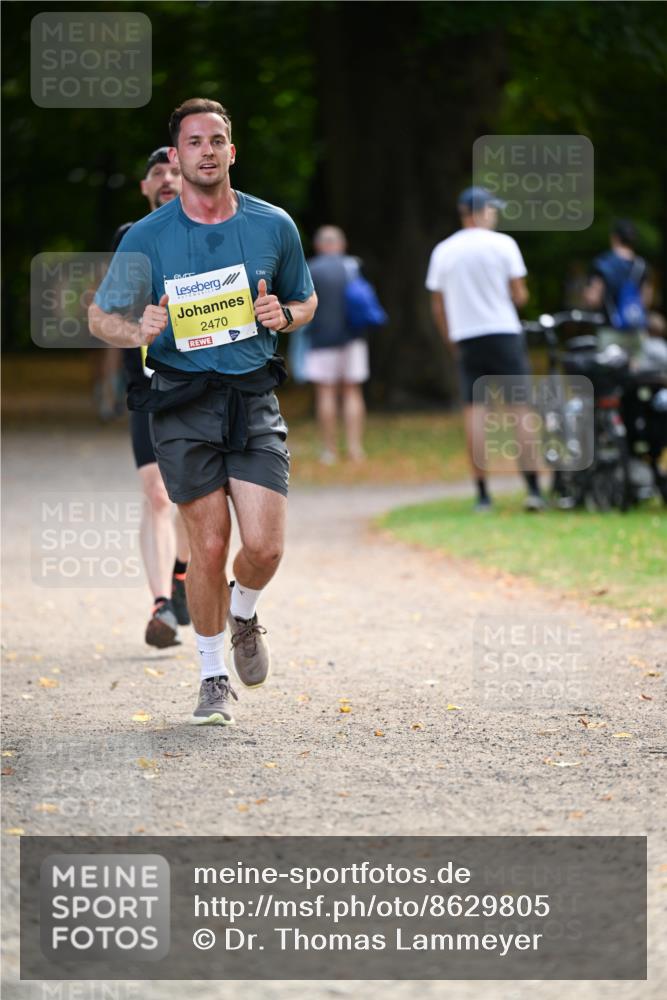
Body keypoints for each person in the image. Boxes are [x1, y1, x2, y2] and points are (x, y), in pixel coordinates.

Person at [89, 98, 317, 726]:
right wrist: (140, 325)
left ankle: (244, 612)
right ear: (178, 154)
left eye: (217, 140)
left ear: (232, 151)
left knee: (265, 547)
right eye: (194, 142)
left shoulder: (274, 226)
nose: (207, 151)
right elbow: (100, 317)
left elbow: (305, 299)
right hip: (182, 401)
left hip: (251, 398)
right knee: (209, 546)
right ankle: (213, 675)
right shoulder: (147, 237)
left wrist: (286, 316)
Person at [110, 148, 191, 649]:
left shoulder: (217, 234)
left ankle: (182, 576)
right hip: (149, 388)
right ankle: (161, 605)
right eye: (156, 172)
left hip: (204, 385)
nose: (166, 178)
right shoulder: (128, 240)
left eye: (175, 171)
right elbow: (108, 313)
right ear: (144, 188)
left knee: (193, 499)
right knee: (158, 494)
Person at [426, 186, 544, 512]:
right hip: (504, 333)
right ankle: (533, 489)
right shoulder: (503, 245)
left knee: (475, 412)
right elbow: (519, 295)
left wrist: (451, 339)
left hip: (467, 336)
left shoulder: (444, 250)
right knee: (520, 411)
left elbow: (438, 305)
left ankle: (482, 494)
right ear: (483, 211)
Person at [303, 226, 369, 464]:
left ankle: (329, 450)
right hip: (353, 337)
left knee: (326, 393)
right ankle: (355, 448)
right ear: (342, 244)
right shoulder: (353, 266)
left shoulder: (311, 269)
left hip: (321, 340)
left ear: (319, 245)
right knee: (352, 391)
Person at [584, 219, 653, 331]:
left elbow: (593, 299)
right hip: (636, 330)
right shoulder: (642, 265)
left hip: (609, 329)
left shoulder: (602, 263)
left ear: (615, 238)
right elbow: (646, 301)